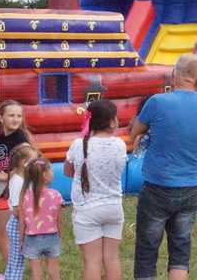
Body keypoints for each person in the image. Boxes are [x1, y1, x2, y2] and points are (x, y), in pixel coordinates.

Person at [130, 54, 197, 280]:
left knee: (146, 254)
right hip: (190, 187)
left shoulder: (158, 102)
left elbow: (135, 132)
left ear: (174, 73)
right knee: (180, 253)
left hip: (158, 187)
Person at [65, 99, 127, 280]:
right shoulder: (120, 144)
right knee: (112, 258)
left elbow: (68, 172)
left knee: (92, 261)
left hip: (87, 210)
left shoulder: (78, 145)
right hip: (114, 207)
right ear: (112, 121)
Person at [0, 100, 32, 262]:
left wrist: (8, 175)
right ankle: (14, 267)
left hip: (15, 193)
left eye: (19, 116)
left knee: (2, 235)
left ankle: (13, 268)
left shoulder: (21, 140)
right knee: (8, 234)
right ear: (1, 117)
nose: (16, 119)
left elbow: (29, 166)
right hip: (3, 190)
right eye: (11, 115)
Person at [19, 157, 62, 280]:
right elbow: (59, 220)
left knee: (36, 273)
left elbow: (22, 223)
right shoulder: (56, 195)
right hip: (52, 236)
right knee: (54, 270)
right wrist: (60, 235)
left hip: (32, 239)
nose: (52, 173)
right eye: (51, 170)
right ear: (45, 175)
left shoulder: (24, 196)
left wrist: (21, 240)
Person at [5, 144, 38, 280]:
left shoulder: (24, 180)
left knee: (16, 260)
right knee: (17, 261)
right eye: (34, 162)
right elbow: (17, 208)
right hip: (19, 225)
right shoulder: (18, 182)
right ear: (25, 163)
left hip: (21, 223)